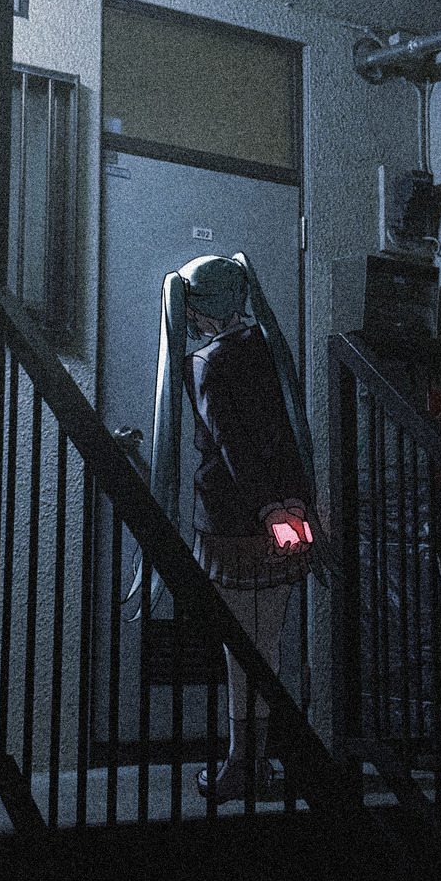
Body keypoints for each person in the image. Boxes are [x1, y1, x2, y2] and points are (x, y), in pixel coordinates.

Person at [143, 253, 318, 802]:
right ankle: (258, 762)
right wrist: (289, 506)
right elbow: (287, 434)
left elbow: (231, 446)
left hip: (232, 526)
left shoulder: (204, 363)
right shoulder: (271, 347)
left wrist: (266, 509)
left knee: (240, 652)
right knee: (268, 647)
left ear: (203, 309)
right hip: (289, 515)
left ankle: (242, 764)